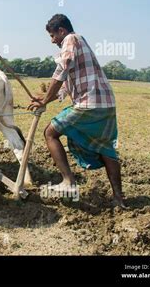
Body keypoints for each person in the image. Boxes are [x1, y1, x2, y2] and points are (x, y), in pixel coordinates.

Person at [28, 14, 125, 207]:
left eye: (52, 35)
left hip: (88, 104)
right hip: (105, 105)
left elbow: (61, 71)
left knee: (50, 132)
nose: (52, 40)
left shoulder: (70, 39)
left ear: (61, 31)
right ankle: (118, 198)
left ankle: (68, 181)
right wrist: (45, 97)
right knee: (106, 148)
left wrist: (45, 101)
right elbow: (65, 85)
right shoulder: (81, 43)